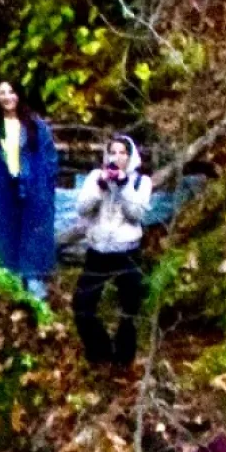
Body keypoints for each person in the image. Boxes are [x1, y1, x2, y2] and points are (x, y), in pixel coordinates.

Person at [72, 134, 153, 368]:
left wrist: (124, 185)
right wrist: (101, 187)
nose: (117, 158)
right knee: (82, 305)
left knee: (130, 309)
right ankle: (100, 351)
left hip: (127, 252)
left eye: (122, 153)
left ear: (130, 157)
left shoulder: (141, 182)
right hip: (97, 252)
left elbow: (136, 214)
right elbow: (81, 208)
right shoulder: (95, 177)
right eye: (113, 152)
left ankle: (123, 358)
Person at [0, 81, 59, 296]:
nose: (7, 97)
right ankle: (8, 276)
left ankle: (32, 277)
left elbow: (49, 157)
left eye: (11, 92)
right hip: (3, 188)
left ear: (19, 94)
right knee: (4, 229)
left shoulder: (35, 125)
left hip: (33, 186)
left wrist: (42, 182)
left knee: (34, 229)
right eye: (1, 92)